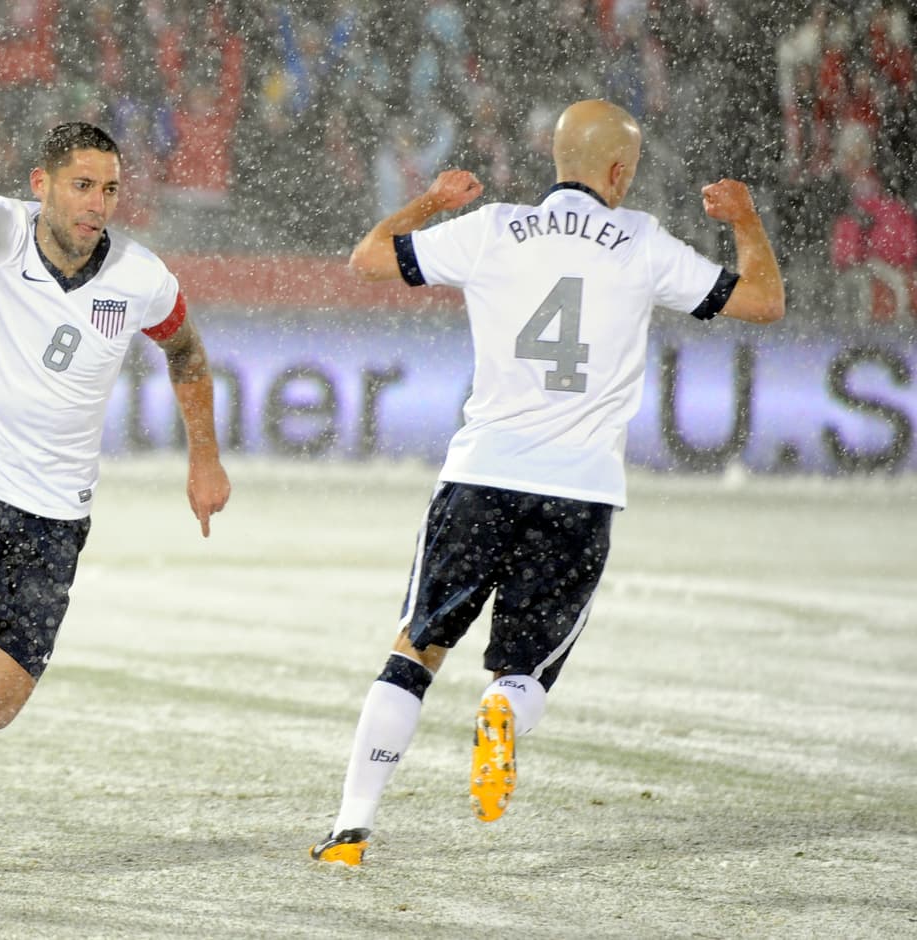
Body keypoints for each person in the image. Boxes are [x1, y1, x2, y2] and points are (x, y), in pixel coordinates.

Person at [310, 98, 784, 866]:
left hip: (482, 474)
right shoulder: (641, 241)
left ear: (557, 162)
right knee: (524, 668)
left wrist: (432, 202)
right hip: (581, 488)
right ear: (620, 172)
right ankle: (501, 707)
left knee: (415, 648)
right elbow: (765, 302)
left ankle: (349, 830)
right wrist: (745, 219)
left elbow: (368, 256)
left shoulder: (494, 227)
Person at [0, 51, 231, 888]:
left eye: (110, 189)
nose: (99, 204)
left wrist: (203, 459)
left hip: (56, 515)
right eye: (83, 186)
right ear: (44, 183)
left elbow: (188, 352)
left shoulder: (141, 277)